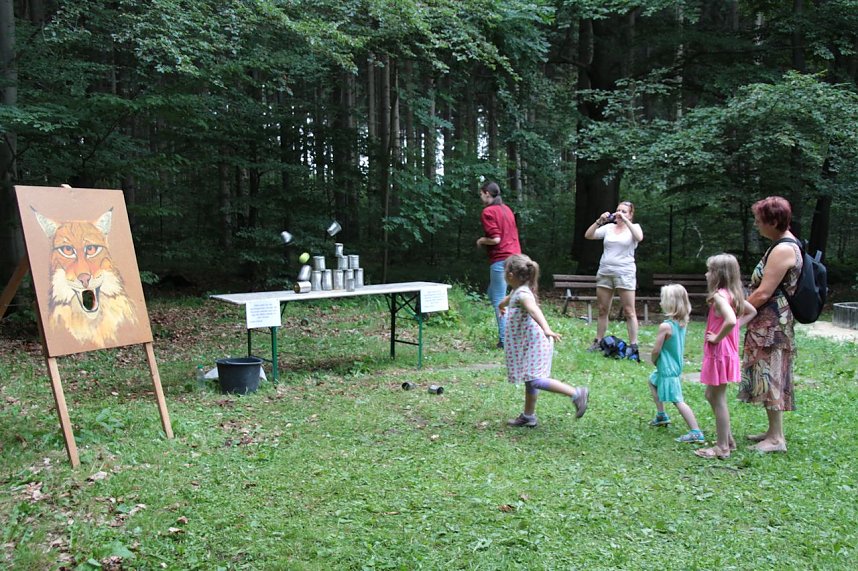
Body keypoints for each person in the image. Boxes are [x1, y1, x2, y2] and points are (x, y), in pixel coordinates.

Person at [738, 196, 801, 453]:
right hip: (767, 321)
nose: (756, 225)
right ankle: (772, 431)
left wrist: (736, 313)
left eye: (759, 220)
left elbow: (764, 292)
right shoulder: (779, 244)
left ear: (774, 221)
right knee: (767, 373)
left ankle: (776, 439)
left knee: (772, 374)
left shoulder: (784, 248)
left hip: (772, 324)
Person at [499, 254, 589, 427]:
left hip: (535, 344)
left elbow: (534, 310)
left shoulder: (523, 294)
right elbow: (507, 300)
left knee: (535, 380)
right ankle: (528, 416)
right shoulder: (518, 290)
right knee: (529, 378)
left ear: (510, 275)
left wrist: (547, 329)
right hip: (528, 344)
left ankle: (577, 393)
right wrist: (501, 306)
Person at [694, 254, 757, 459]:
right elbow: (752, 311)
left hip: (719, 352)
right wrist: (733, 328)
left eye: (710, 270)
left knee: (718, 398)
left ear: (718, 274)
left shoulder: (720, 297)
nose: (706, 274)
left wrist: (718, 337)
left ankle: (722, 447)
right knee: (710, 395)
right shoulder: (733, 293)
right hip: (725, 352)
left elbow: (730, 320)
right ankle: (727, 438)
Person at [584, 201, 643, 359]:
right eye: (618, 210)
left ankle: (634, 346)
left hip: (625, 272)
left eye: (624, 211)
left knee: (629, 311)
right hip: (605, 272)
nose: (619, 213)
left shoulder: (634, 227)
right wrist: (599, 221)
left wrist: (626, 221)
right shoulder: (609, 228)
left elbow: (639, 237)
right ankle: (598, 341)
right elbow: (588, 235)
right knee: (603, 309)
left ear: (630, 214)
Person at [648, 284, 705, 443]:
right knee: (653, 381)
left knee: (677, 399)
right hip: (674, 366)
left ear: (670, 303)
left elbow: (656, 350)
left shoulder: (665, 326)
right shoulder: (681, 323)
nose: (660, 303)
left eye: (662, 300)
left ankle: (696, 432)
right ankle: (661, 415)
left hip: (667, 368)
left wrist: (654, 360)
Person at [476, 181, 521, 349]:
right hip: (516, 258)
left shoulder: (488, 211)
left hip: (501, 260)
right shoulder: (507, 209)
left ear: (487, 193)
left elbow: (495, 239)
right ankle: (512, 329)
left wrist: (481, 240)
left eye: (481, 194)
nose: (481, 197)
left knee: (498, 300)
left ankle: (505, 340)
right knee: (494, 293)